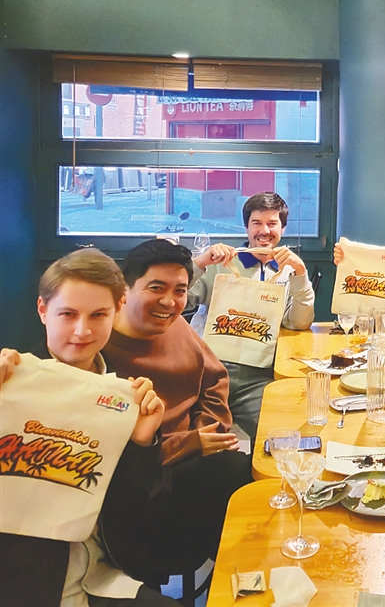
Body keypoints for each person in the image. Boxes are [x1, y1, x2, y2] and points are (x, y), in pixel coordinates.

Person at [0, 249, 175, 607]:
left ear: (118, 310)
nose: (82, 331)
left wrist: (142, 443)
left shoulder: (127, 393)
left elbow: (144, 514)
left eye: (98, 315)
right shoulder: (8, 383)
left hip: (104, 574)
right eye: (68, 314)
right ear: (43, 310)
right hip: (27, 582)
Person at [100, 239, 252, 584]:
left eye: (180, 291)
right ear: (124, 289)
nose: (170, 302)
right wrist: (189, 444)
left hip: (198, 457)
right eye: (156, 288)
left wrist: (209, 429)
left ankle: (240, 579)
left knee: (258, 485)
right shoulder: (100, 350)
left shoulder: (175, 325)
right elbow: (116, 458)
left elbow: (214, 379)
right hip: (145, 484)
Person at [186, 192, 314, 433]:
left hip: (257, 374)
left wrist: (300, 273)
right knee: (196, 437)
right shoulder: (220, 264)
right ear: (246, 227)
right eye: (257, 223)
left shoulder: (288, 271)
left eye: (272, 223)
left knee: (277, 433)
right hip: (207, 371)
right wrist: (200, 263)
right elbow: (180, 300)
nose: (264, 231)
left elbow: (298, 323)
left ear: (283, 228)